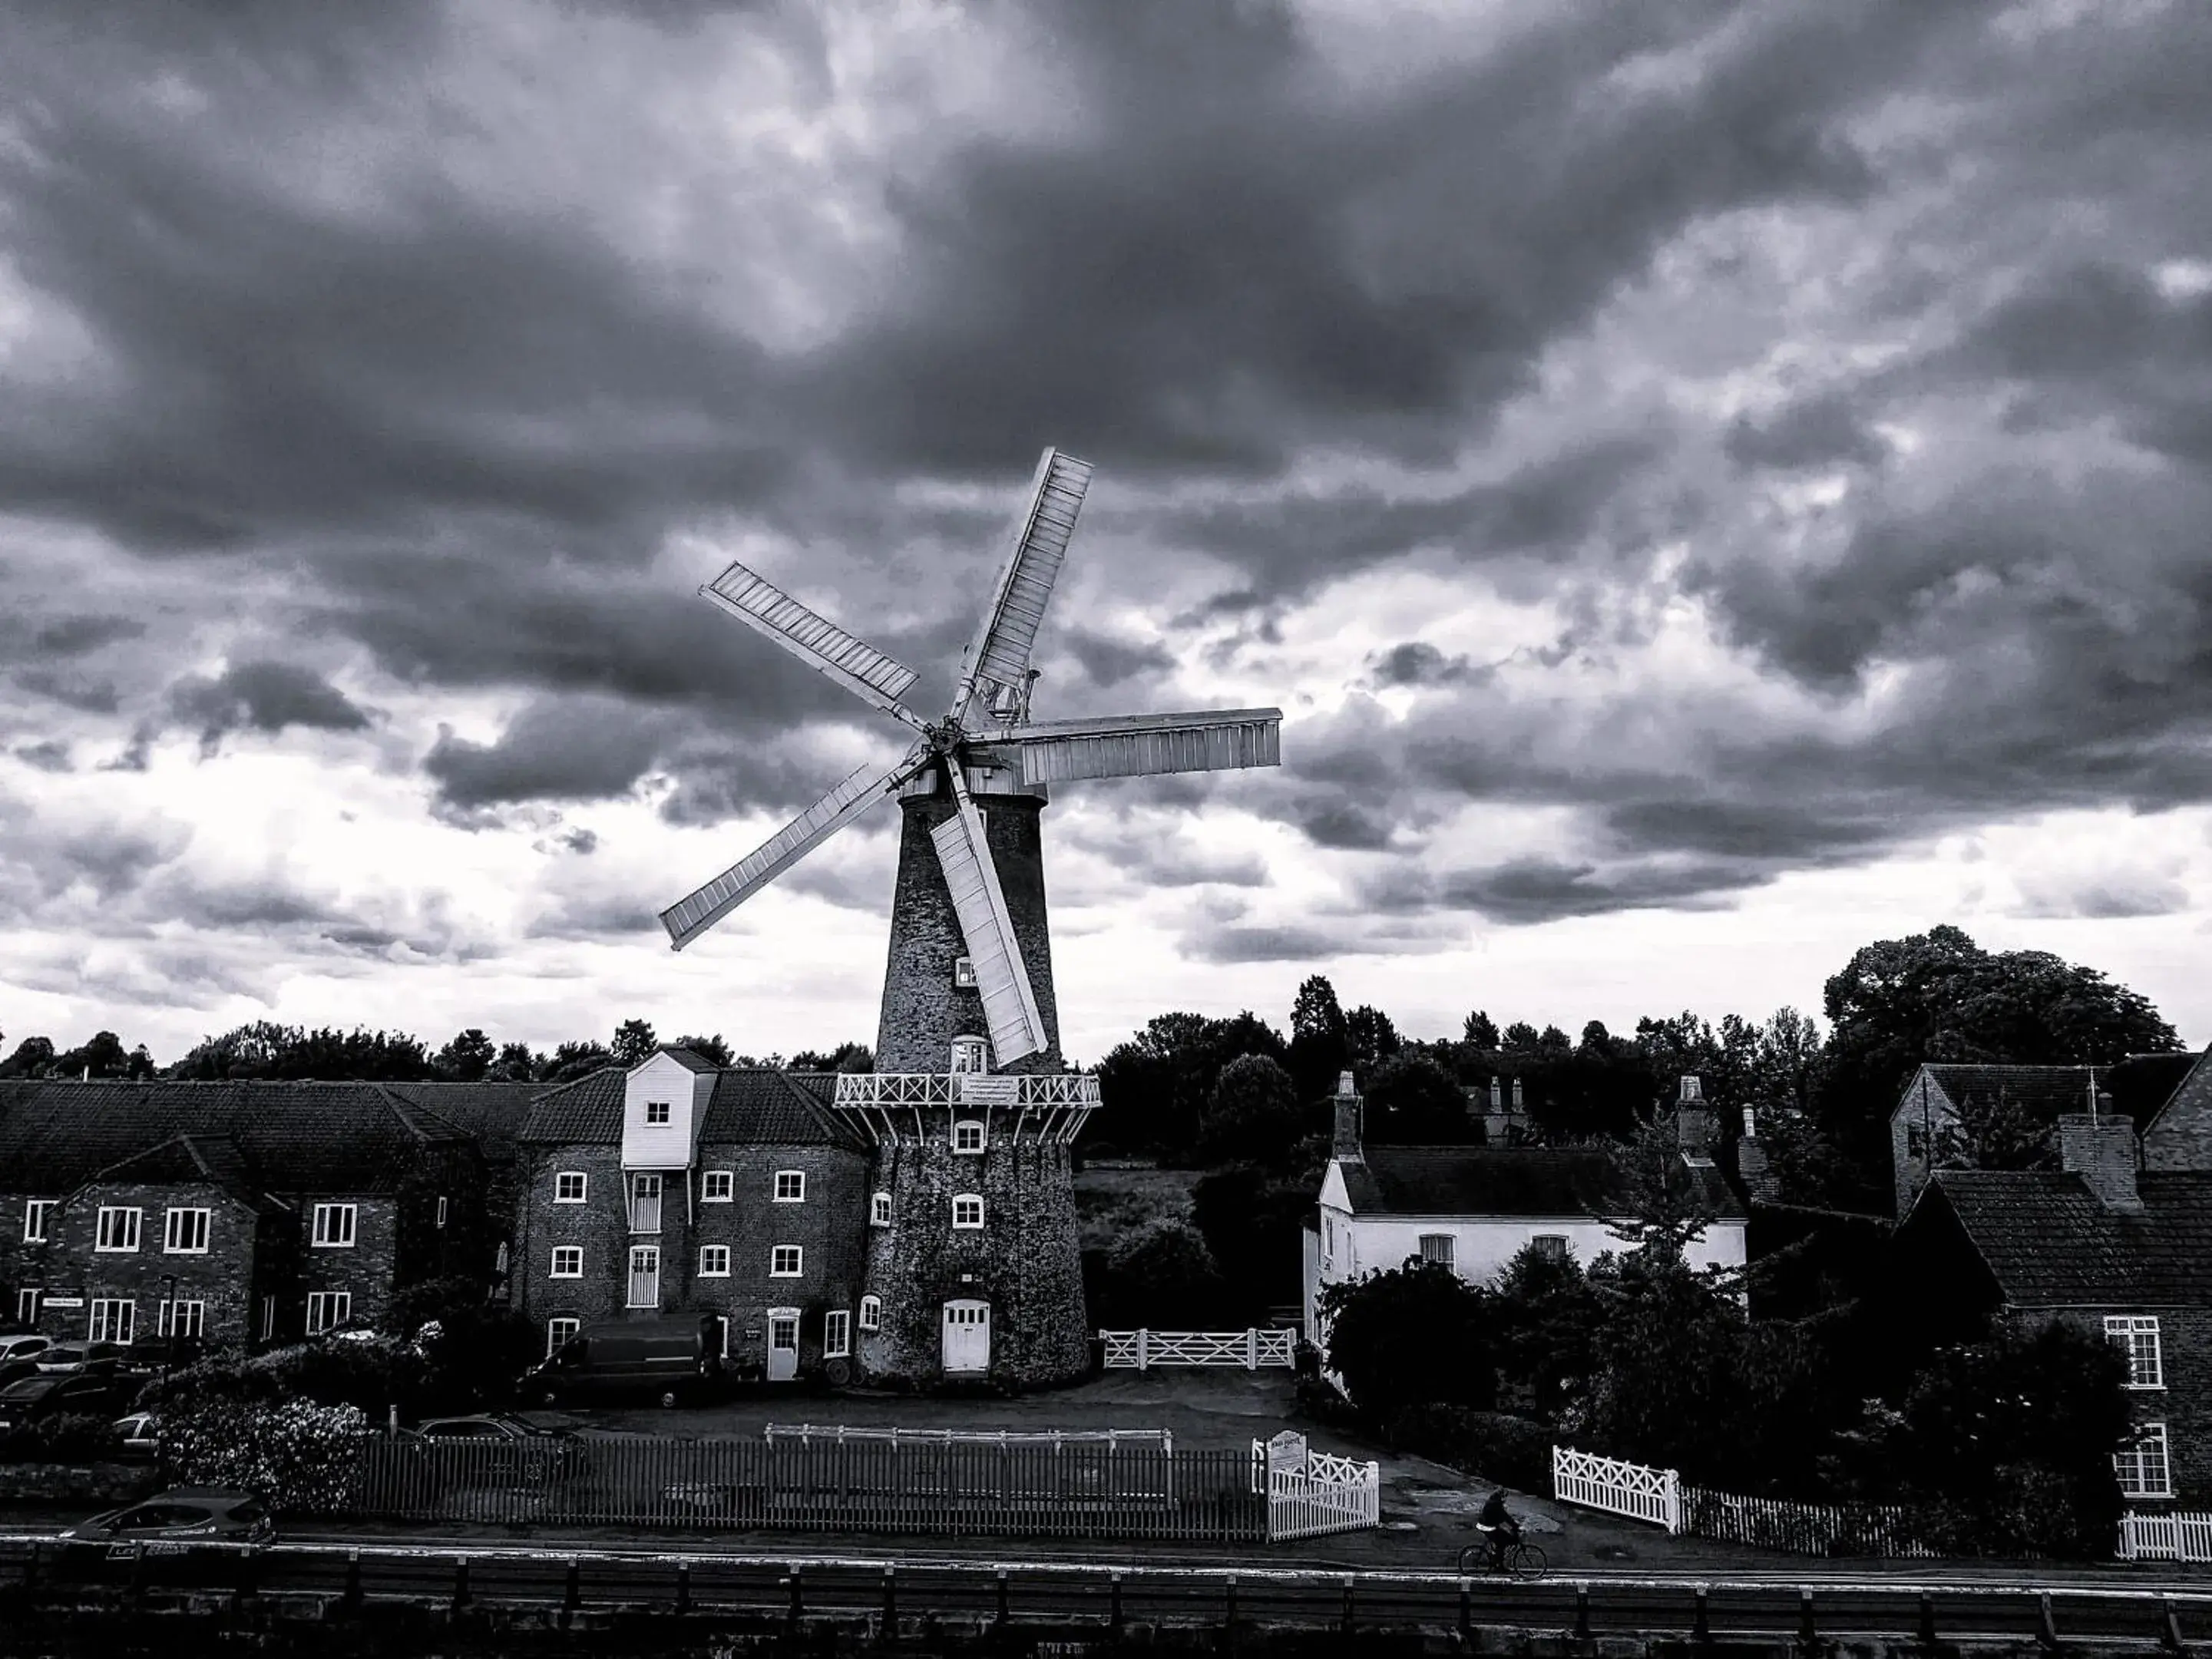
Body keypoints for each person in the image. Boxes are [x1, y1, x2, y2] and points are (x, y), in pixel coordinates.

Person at [1478, 1488, 1521, 1567]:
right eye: (1504, 1497)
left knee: (1501, 1539)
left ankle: (1497, 1560)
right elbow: (1505, 1517)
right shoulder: (1496, 1504)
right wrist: (1515, 1525)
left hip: (1485, 1525)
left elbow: (1503, 1517)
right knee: (1502, 1541)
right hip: (1488, 1527)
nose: (1505, 1499)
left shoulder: (1493, 1502)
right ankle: (1498, 1563)